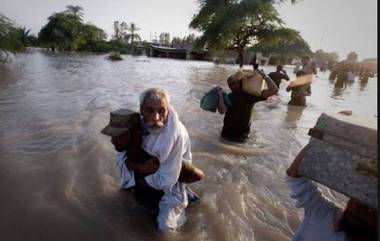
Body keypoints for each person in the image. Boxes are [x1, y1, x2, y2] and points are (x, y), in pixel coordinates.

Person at [101, 109, 204, 211]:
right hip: (146, 200)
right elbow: (122, 160)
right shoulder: (124, 148)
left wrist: (146, 181)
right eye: (112, 135)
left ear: (136, 134)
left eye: (119, 136)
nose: (113, 141)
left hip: (170, 203)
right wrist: (139, 168)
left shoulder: (158, 156)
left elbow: (197, 175)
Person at [136, 87, 197, 232]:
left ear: (168, 110)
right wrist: (137, 169)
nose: (156, 117)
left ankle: (187, 197)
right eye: (149, 111)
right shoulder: (139, 125)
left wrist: (142, 181)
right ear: (141, 110)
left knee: (165, 229)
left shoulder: (176, 134)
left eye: (161, 111)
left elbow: (169, 177)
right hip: (153, 173)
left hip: (173, 179)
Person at [286, 145, 377, 241]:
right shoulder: (324, 214)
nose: (355, 207)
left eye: (368, 209)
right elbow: (295, 177)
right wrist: (322, 138)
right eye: (354, 199)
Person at [217, 68, 278, 143]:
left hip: (243, 134)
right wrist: (220, 96)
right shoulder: (228, 97)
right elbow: (222, 111)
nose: (232, 87)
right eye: (230, 85)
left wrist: (265, 76)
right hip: (226, 133)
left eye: (234, 83)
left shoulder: (251, 96)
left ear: (240, 82)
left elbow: (274, 90)